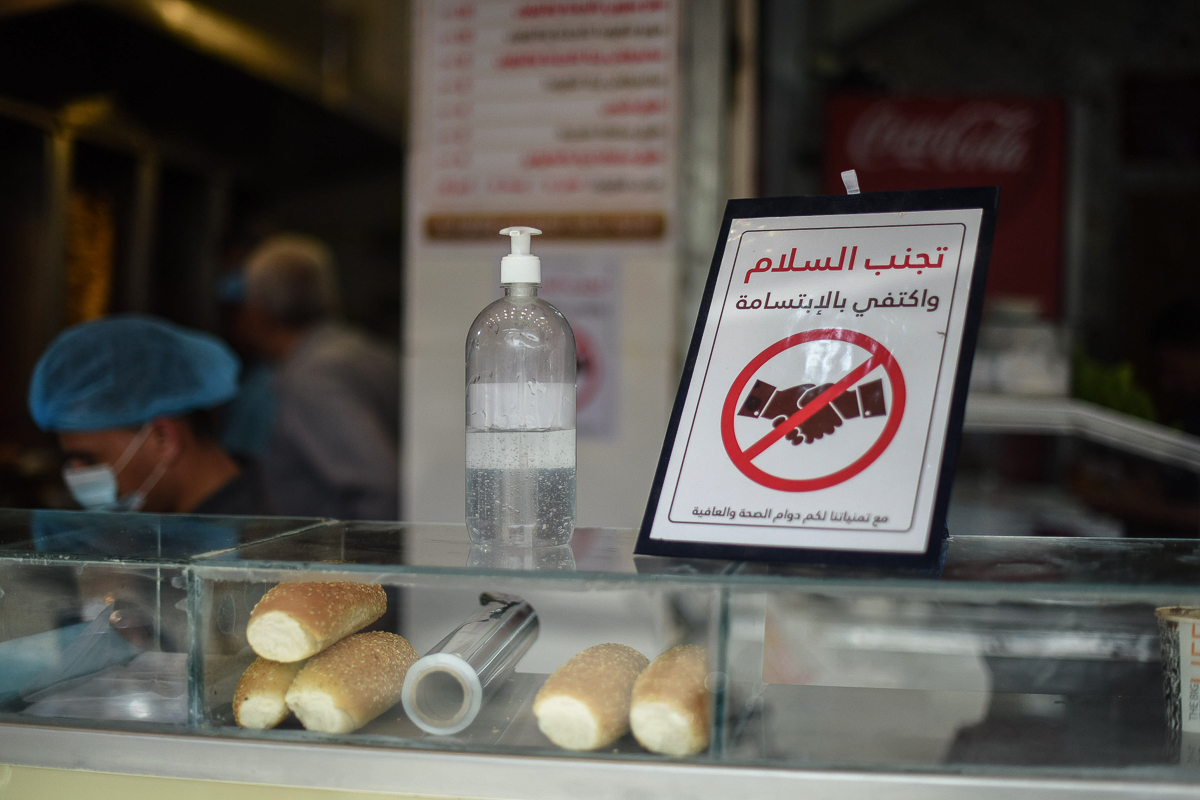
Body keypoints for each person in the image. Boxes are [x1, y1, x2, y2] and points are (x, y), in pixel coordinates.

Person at [28, 315, 272, 516]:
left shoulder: (258, 543)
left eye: (88, 459)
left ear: (163, 438)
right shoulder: (175, 530)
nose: (75, 476)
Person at [238, 233, 399, 520]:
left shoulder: (312, 378)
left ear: (257, 312)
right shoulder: (367, 351)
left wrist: (362, 561)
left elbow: (378, 489)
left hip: (344, 557)